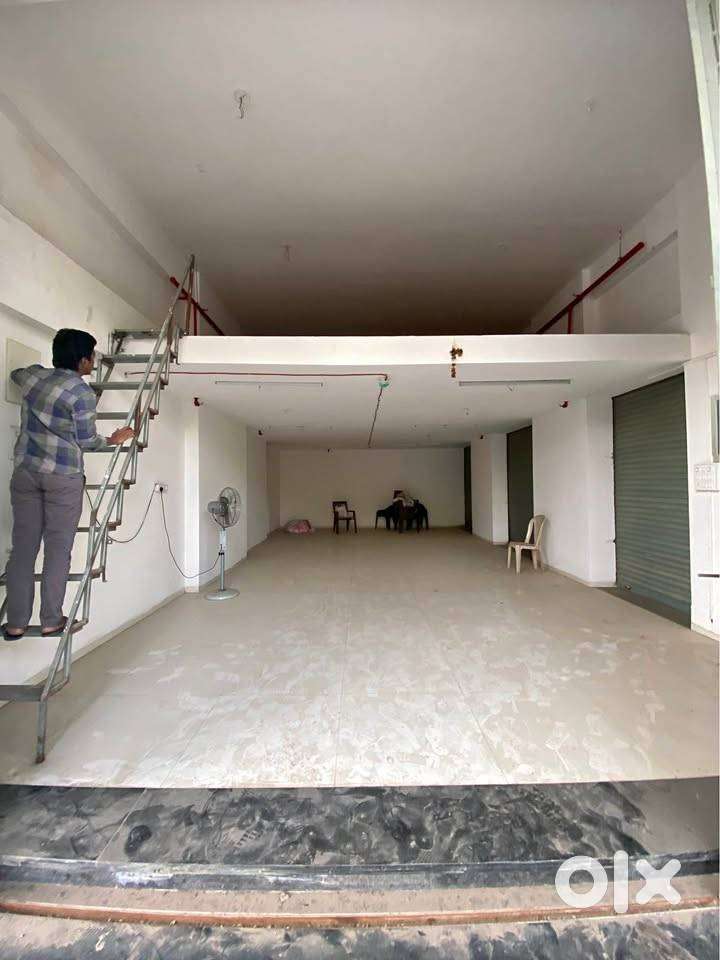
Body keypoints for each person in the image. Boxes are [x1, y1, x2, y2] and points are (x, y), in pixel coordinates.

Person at [2, 329, 134, 641]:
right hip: (63, 477)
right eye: (92, 356)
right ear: (82, 360)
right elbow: (87, 440)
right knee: (58, 548)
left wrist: (36, 374)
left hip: (26, 473)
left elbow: (17, 373)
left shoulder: (34, 378)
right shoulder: (81, 393)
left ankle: (15, 623)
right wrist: (113, 439)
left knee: (22, 549)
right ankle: (51, 619)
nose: (94, 362)